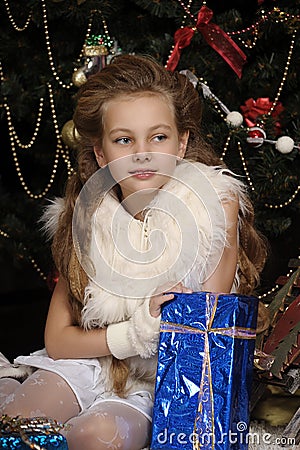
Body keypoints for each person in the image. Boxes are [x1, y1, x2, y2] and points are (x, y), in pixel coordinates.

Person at [0, 54, 268, 450]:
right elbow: (59, 340)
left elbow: (198, 336)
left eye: (158, 137)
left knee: (95, 436)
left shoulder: (213, 206)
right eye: (124, 139)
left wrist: (157, 329)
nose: (143, 153)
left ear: (182, 143)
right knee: (17, 421)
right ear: (101, 153)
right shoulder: (89, 217)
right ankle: (10, 383)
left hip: (162, 381)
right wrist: (133, 333)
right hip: (89, 364)